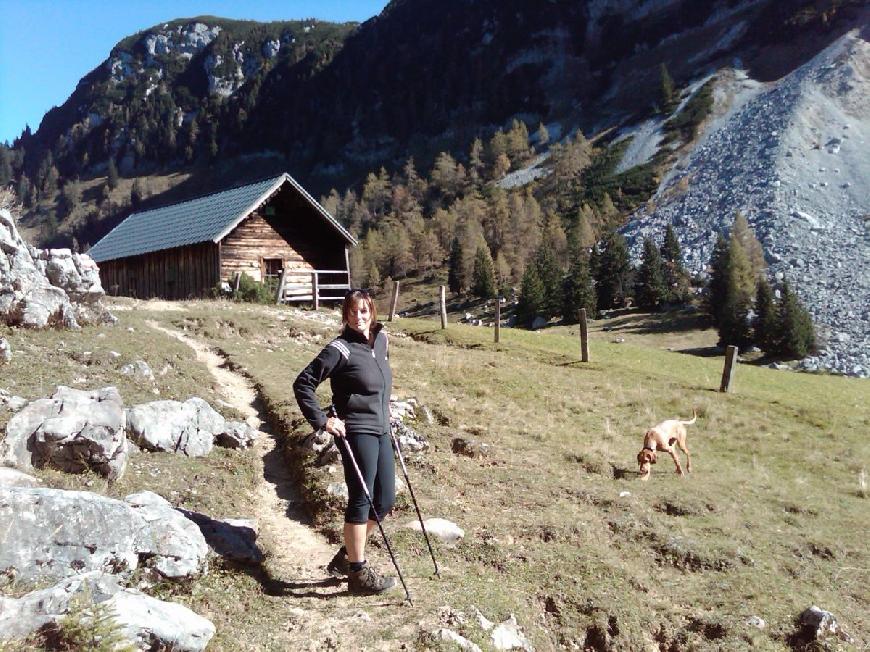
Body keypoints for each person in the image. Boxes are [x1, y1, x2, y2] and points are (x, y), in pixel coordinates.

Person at [293, 289, 397, 595]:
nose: (360, 316)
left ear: (372, 312)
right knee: (361, 499)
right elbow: (303, 382)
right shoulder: (340, 349)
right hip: (356, 431)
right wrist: (323, 421)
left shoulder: (381, 340)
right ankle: (357, 572)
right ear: (345, 315)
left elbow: (379, 382)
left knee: (385, 499)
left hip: (381, 428)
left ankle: (348, 554)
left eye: (364, 311)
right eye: (353, 312)